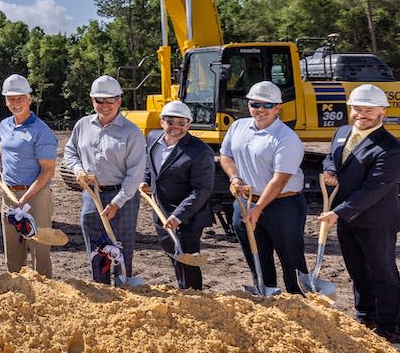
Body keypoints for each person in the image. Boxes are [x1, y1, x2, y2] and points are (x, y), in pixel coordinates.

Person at [320, 84, 400, 343]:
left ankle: (390, 326)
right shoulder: (343, 132)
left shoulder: (391, 149)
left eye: (369, 109)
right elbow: (330, 158)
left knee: (382, 272)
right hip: (348, 219)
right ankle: (366, 316)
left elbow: (373, 189)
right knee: (357, 270)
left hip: (377, 221)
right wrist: (330, 171)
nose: (362, 114)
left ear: (382, 112)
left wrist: (338, 212)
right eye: (357, 108)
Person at [219, 80, 309, 294]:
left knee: (291, 260)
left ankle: (301, 305)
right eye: (254, 104)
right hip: (245, 202)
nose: (260, 110)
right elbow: (226, 155)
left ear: (278, 107)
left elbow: (279, 180)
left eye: (267, 105)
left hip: (283, 206)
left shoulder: (286, 138)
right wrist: (234, 177)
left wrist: (257, 209)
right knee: (256, 255)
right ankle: (266, 294)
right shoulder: (238, 126)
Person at [64, 75, 145, 283]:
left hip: (123, 197)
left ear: (119, 100)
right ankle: (101, 286)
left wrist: (117, 203)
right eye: (99, 100)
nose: (105, 105)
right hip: (93, 194)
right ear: (92, 101)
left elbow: (135, 174)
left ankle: (122, 283)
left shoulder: (132, 132)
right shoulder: (83, 125)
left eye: (110, 100)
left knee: (121, 245)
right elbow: (70, 151)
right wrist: (78, 170)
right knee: (96, 245)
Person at [0, 74, 59, 276]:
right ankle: (16, 288)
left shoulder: (40, 130)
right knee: (13, 249)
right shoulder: (5, 124)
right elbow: (3, 143)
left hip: (35, 196)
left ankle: (44, 291)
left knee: (39, 247)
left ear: (29, 98)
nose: (16, 103)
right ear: (5, 100)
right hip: (9, 195)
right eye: (11, 98)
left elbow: (48, 171)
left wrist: (25, 199)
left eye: (20, 98)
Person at [141, 100, 215, 290]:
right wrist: (146, 180)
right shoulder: (152, 139)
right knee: (173, 255)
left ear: (188, 125)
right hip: (161, 211)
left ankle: (193, 297)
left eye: (182, 123)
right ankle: (184, 293)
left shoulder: (200, 151)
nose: (176, 127)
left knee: (186, 259)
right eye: (170, 121)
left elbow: (202, 190)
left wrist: (178, 216)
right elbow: (150, 165)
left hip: (189, 216)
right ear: (161, 121)